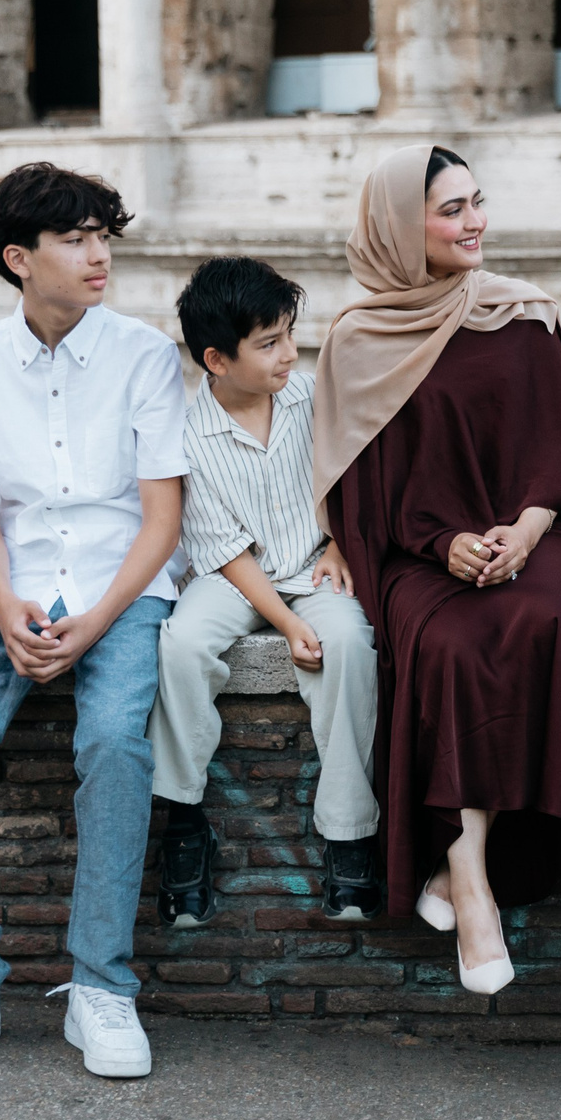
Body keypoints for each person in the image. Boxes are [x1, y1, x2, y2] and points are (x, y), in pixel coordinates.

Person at [0, 163, 187, 1080]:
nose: (99, 254)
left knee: (114, 742)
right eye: (75, 238)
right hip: (6, 592)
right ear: (20, 259)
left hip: (124, 589)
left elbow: (163, 519)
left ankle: (101, 986)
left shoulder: (143, 354)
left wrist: (97, 619)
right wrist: (8, 601)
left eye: (105, 234)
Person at [310, 143, 561, 996]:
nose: (475, 222)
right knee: (445, 642)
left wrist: (524, 529)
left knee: (538, 618)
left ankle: (464, 868)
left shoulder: (524, 314)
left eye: (477, 202)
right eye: (451, 210)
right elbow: (366, 490)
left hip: (534, 533)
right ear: (399, 228)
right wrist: (444, 543)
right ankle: (468, 875)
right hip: (418, 551)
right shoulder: (359, 341)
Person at [150, 257, 381, 930]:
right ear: (217, 359)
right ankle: (185, 817)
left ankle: (348, 834)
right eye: (270, 342)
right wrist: (285, 623)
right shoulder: (190, 434)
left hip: (315, 563)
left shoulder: (314, 398)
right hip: (234, 576)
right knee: (182, 646)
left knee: (348, 644)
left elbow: (354, 476)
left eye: (290, 333)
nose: (290, 352)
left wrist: (341, 545)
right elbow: (220, 548)